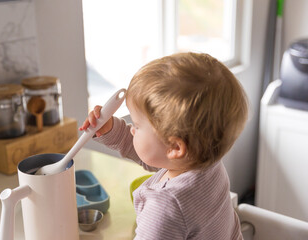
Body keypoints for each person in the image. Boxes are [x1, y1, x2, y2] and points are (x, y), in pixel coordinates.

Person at [79, 52, 248, 239]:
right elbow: (154, 152)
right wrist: (111, 129)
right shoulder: (206, 164)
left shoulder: (165, 209)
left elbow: (152, 151)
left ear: (175, 147)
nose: (133, 131)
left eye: (136, 125)